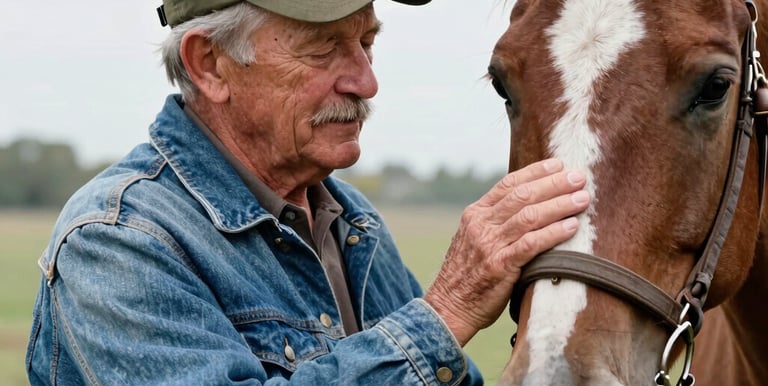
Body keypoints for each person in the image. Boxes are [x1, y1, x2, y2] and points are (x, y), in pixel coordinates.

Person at [25, 0, 590, 384]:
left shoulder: (351, 220)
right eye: (322, 48)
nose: (366, 81)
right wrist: (446, 310)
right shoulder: (116, 242)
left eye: (367, 41)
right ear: (210, 64)